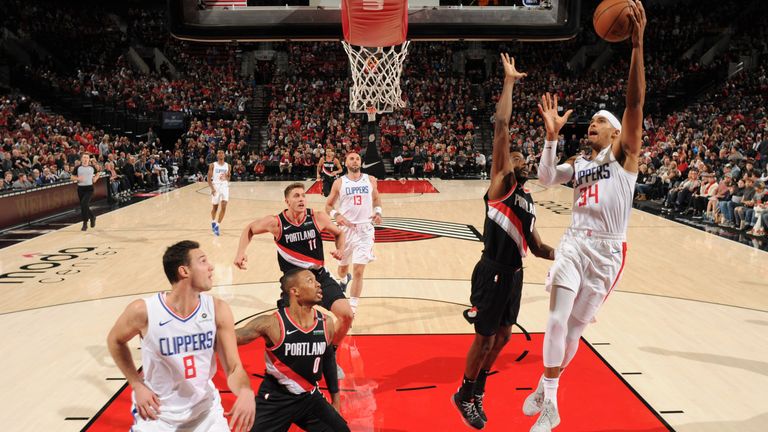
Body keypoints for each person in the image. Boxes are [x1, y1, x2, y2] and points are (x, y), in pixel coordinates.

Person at [525, 2, 647, 431]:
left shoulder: (624, 157)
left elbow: (634, 102)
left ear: (617, 132)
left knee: (575, 328)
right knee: (557, 318)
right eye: (591, 120)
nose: (592, 124)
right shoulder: (579, 162)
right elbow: (542, 180)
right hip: (576, 242)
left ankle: (546, 382)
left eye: (600, 120)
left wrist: (636, 45)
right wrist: (551, 139)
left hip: (609, 252)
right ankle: (553, 402)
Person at [452, 53, 555, 430]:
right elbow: (501, 125)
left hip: (514, 273)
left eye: (520, 155)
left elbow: (539, 246)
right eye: (513, 154)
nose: (518, 155)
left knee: (504, 338)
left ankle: (474, 391)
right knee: (484, 339)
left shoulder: (527, 199)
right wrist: (509, 82)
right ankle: (465, 393)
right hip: (492, 270)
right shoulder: (502, 183)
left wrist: (569, 257)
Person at [106, 241, 255, 432]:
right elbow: (115, 340)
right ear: (184, 271)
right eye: (203, 261)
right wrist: (136, 384)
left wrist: (245, 390)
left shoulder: (218, 310)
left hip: (205, 414)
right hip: (158, 415)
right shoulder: (144, 311)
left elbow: (234, 368)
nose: (211, 267)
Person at [233, 183, 354, 390]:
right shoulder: (276, 223)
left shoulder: (317, 217)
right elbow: (250, 229)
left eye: (303, 196)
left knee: (347, 314)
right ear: (287, 201)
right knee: (285, 331)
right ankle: (282, 370)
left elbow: (339, 233)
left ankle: (330, 355)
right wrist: (240, 252)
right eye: (296, 196)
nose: (301, 199)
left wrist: (340, 250)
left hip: (318, 278)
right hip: (293, 284)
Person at [235, 269, 351, 432]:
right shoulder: (272, 324)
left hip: (309, 397)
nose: (318, 284)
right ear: (294, 291)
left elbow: (328, 359)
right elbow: (233, 337)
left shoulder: (326, 323)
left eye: (316, 280)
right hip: (276, 399)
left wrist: (335, 400)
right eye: (310, 281)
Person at [324, 151, 382, 314]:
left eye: (357, 159)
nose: (355, 161)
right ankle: (343, 279)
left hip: (365, 230)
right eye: (351, 158)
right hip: (345, 232)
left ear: (360, 162)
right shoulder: (339, 183)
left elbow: (376, 199)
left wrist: (378, 212)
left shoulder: (370, 180)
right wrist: (337, 215)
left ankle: (353, 309)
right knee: (343, 269)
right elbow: (328, 206)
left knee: (358, 270)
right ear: (346, 162)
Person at [72, 153, 99, 231]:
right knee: (83, 206)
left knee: (84, 204)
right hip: (80, 189)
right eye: (84, 157)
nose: (85, 159)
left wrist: (96, 178)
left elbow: (97, 174)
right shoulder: (78, 168)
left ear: (88, 159)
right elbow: (72, 177)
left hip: (89, 189)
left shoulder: (92, 167)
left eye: (87, 157)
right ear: (81, 159)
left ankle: (85, 223)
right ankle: (92, 217)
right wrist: (78, 178)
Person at [208, 149, 230, 236]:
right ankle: (213, 221)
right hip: (216, 186)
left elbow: (228, 178)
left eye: (222, 153)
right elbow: (209, 179)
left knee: (224, 206)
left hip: (224, 186)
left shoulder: (228, 166)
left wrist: (226, 177)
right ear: (217, 155)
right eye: (219, 153)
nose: (220, 154)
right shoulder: (213, 165)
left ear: (224, 155)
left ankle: (217, 225)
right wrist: (212, 189)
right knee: (215, 208)